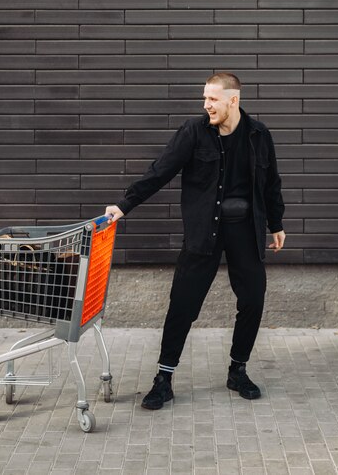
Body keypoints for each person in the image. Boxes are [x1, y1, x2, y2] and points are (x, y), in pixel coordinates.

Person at [105, 72, 285, 409]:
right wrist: (125, 205)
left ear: (234, 100)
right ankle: (164, 379)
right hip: (205, 230)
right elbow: (160, 171)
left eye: (213, 99)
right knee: (183, 304)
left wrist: (276, 223)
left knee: (253, 298)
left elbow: (271, 182)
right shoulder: (194, 132)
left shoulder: (259, 135)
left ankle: (237, 370)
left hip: (246, 230)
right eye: (205, 99)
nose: (206, 105)